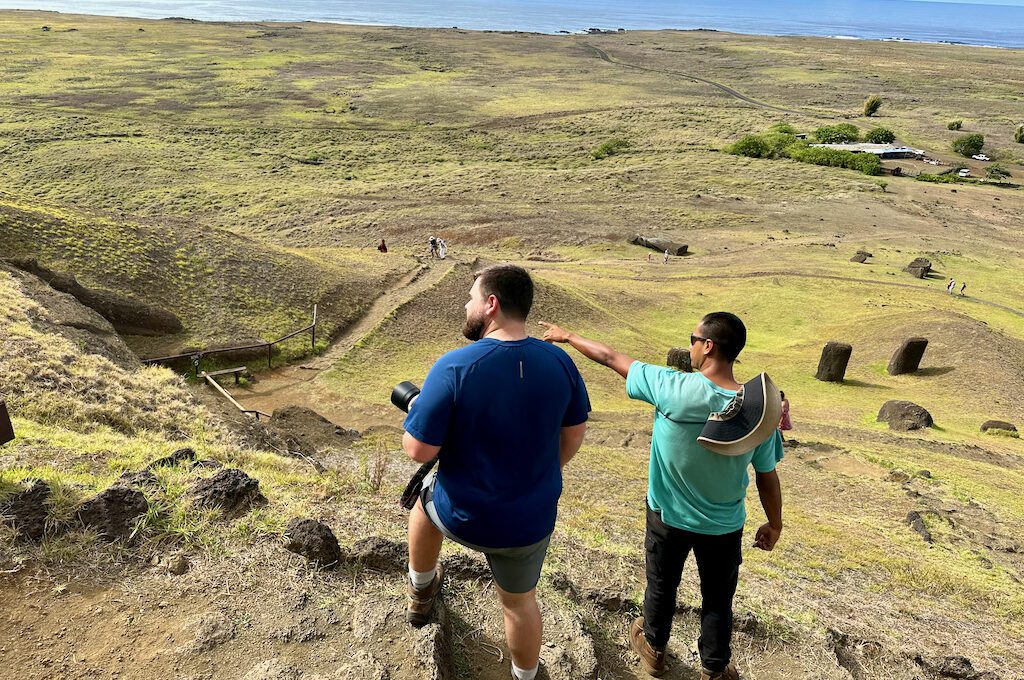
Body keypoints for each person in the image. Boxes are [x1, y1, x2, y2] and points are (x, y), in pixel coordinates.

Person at [541, 313, 783, 680]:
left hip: (667, 518)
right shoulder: (758, 412)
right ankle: (714, 670)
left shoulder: (670, 386)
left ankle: (653, 650)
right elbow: (767, 475)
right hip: (724, 525)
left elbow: (610, 358)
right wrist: (775, 523)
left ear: (708, 346)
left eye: (692, 338)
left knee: (661, 584)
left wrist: (567, 335)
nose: (690, 346)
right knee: (718, 600)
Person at [402, 264, 590, 680]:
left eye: (471, 298)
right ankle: (526, 675)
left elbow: (419, 451)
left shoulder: (454, 366)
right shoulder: (561, 363)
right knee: (520, 603)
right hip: (528, 521)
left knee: (423, 504)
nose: (465, 305)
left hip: (462, 513)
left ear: (491, 304)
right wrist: (543, 470)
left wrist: (415, 418)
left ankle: (421, 591)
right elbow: (574, 434)